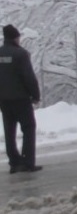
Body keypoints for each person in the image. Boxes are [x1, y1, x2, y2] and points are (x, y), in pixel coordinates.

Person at [0, 24, 42, 173]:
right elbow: (28, 77)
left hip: (4, 100)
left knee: (9, 131)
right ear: (16, 38)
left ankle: (14, 162)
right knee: (28, 128)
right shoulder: (20, 54)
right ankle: (27, 162)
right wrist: (35, 95)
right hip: (21, 99)